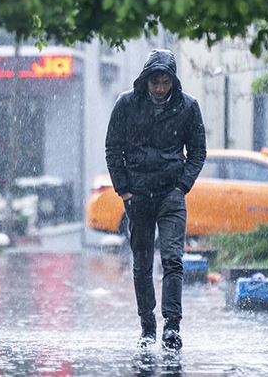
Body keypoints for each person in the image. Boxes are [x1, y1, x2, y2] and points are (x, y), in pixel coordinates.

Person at [105, 49, 207, 350]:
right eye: (155, 82)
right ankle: (147, 327)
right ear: (146, 80)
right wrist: (124, 190)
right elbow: (113, 149)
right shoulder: (126, 104)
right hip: (137, 195)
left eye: (165, 82)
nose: (160, 88)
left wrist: (182, 186)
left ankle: (172, 326)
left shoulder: (188, 107)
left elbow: (198, 152)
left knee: (173, 259)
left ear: (173, 82)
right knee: (142, 262)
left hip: (171, 194)